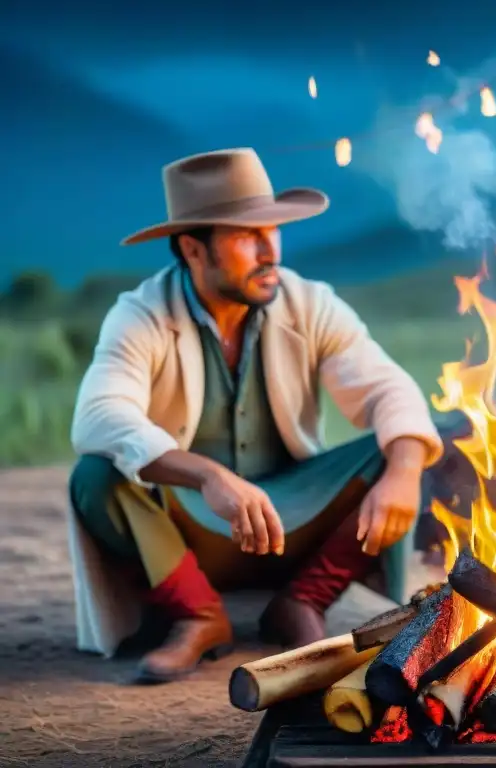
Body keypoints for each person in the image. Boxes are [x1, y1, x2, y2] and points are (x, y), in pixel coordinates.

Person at [68, 147, 444, 684]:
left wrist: (405, 472)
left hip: (296, 521)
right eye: (247, 236)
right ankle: (198, 617)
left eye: (273, 230)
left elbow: (388, 388)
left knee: (403, 448)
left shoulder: (310, 303)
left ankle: (303, 601)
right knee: (96, 475)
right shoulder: (142, 314)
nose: (269, 249)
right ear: (194, 250)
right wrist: (208, 475)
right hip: (191, 526)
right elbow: (98, 415)